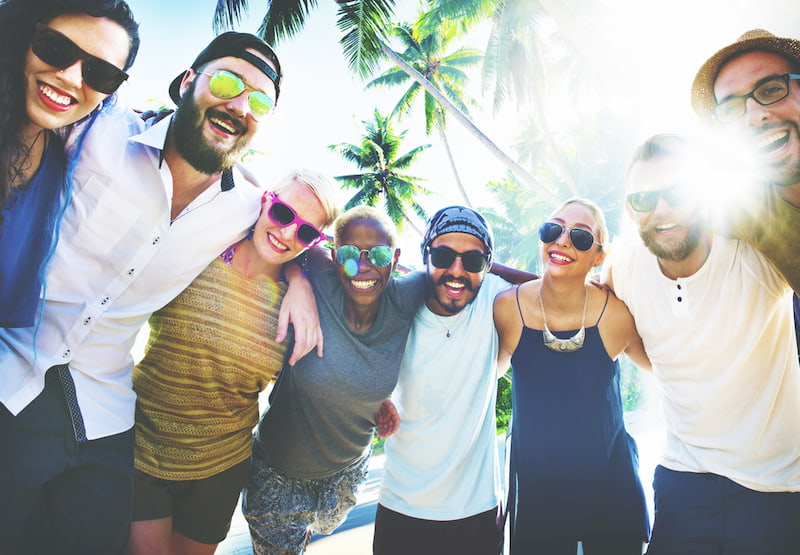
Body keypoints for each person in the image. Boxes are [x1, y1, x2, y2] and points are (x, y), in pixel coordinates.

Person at [0, 31, 317, 554]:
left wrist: (302, 278)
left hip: (104, 412)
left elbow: (301, 230)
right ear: (188, 81)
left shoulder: (248, 207)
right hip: (14, 374)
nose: (240, 105)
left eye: (258, 100)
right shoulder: (100, 130)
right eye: (228, 81)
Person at [603, 134, 800, 554]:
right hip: (682, 478)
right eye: (643, 199)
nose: (661, 210)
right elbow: (623, 333)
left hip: (776, 485)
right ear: (628, 209)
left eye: (677, 193)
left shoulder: (759, 259)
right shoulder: (623, 266)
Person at [125, 169, 339, 555]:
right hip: (144, 445)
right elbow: (226, 165)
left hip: (221, 466)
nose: (288, 233)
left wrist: (300, 280)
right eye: (284, 214)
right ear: (266, 199)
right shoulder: (201, 245)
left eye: (306, 232)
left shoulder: (299, 310)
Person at [243, 205, 426, 555]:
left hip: (346, 475)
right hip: (279, 476)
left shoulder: (405, 299)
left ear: (396, 257)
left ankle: (309, 530)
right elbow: (272, 229)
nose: (364, 267)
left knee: (324, 524)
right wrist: (296, 277)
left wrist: (556, 280)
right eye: (348, 254)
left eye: (380, 254)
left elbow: (462, 267)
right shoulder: (320, 280)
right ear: (333, 255)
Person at [373, 206, 534, 555]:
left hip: (476, 513)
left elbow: (552, 291)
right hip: (401, 508)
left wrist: (485, 267)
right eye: (444, 255)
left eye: (473, 261)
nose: (457, 271)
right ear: (425, 255)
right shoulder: (397, 305)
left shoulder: (495, 299)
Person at [493, 198, 650, 555]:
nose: (562, 240)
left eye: (580, 237)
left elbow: (665, 368)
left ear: (598, 256)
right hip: (538, 496)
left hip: (612, 490)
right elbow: (478, 382)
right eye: (553, 229)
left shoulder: (616, 315)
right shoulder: (507, 309)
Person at [0, 0, 138, 329]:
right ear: (26, 38)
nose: (71, 77)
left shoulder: (59, 170)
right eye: (55, 48)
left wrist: (288, 270)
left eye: (100, 73)